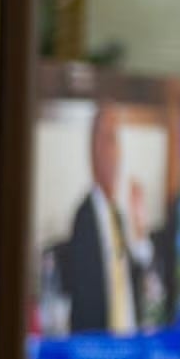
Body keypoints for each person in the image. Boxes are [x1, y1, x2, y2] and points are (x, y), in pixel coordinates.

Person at [62, 104, 147, 335]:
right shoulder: (84, 217)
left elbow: (137, 282)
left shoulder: (117, 216)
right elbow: (84, 302)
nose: (112, 150)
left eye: (115, 140)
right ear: (93, 151)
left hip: (127, 347)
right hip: (102, 351)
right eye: (106, 139)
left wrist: (139, 227)